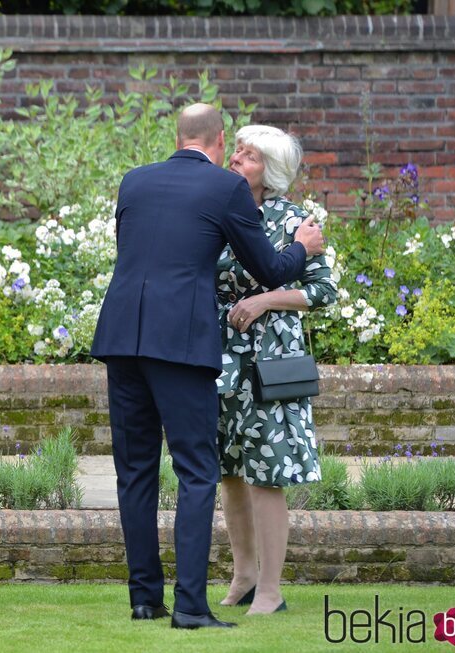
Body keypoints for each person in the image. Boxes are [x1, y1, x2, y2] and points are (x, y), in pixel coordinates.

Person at [90, 103, 326, 630]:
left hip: (123, 337)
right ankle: (192, 606)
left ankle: (145, 599)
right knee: (197, 472)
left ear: (178, 136)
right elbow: (268, 268)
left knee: (135, 473)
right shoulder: (226, 189)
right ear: (219, 139)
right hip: (180, 343)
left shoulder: (135, 181)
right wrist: (300, 248)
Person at [216, 125, 337, 615]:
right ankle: (243, 575)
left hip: (271, 361)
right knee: (228, 470)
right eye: (238, 150)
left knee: (267, 473)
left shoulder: (294, 221)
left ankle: (270, 589)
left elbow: (322, 291)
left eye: (250, 155)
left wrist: (266, 299)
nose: (238, 157)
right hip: (220, 357)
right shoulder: (218, 212)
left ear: (273, 172)